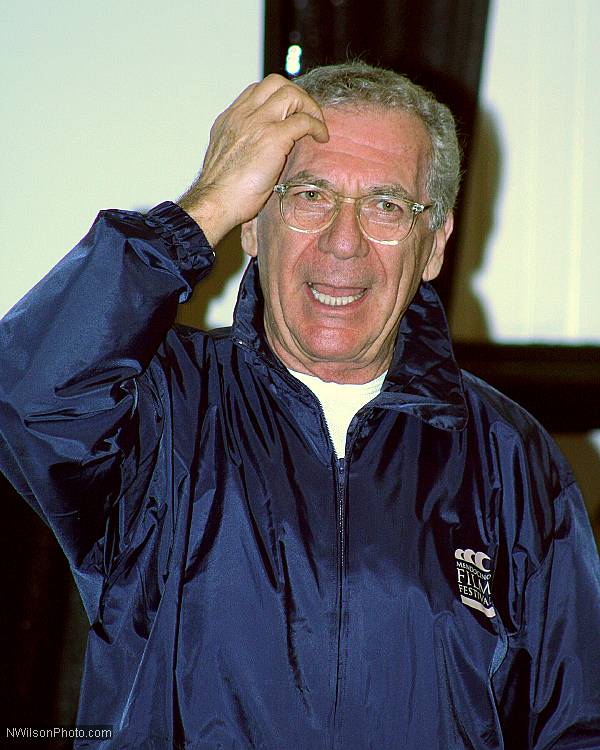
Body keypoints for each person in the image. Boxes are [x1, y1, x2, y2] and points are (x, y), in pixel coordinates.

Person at [1, 61, 599, 749]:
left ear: (434, 245)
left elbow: (578, 725)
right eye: (310, 195)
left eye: (385, 206)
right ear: (254, 227)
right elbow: (28, 397)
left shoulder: (508, 456)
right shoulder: (161, 404)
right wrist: (205, 206)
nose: (343, 242)